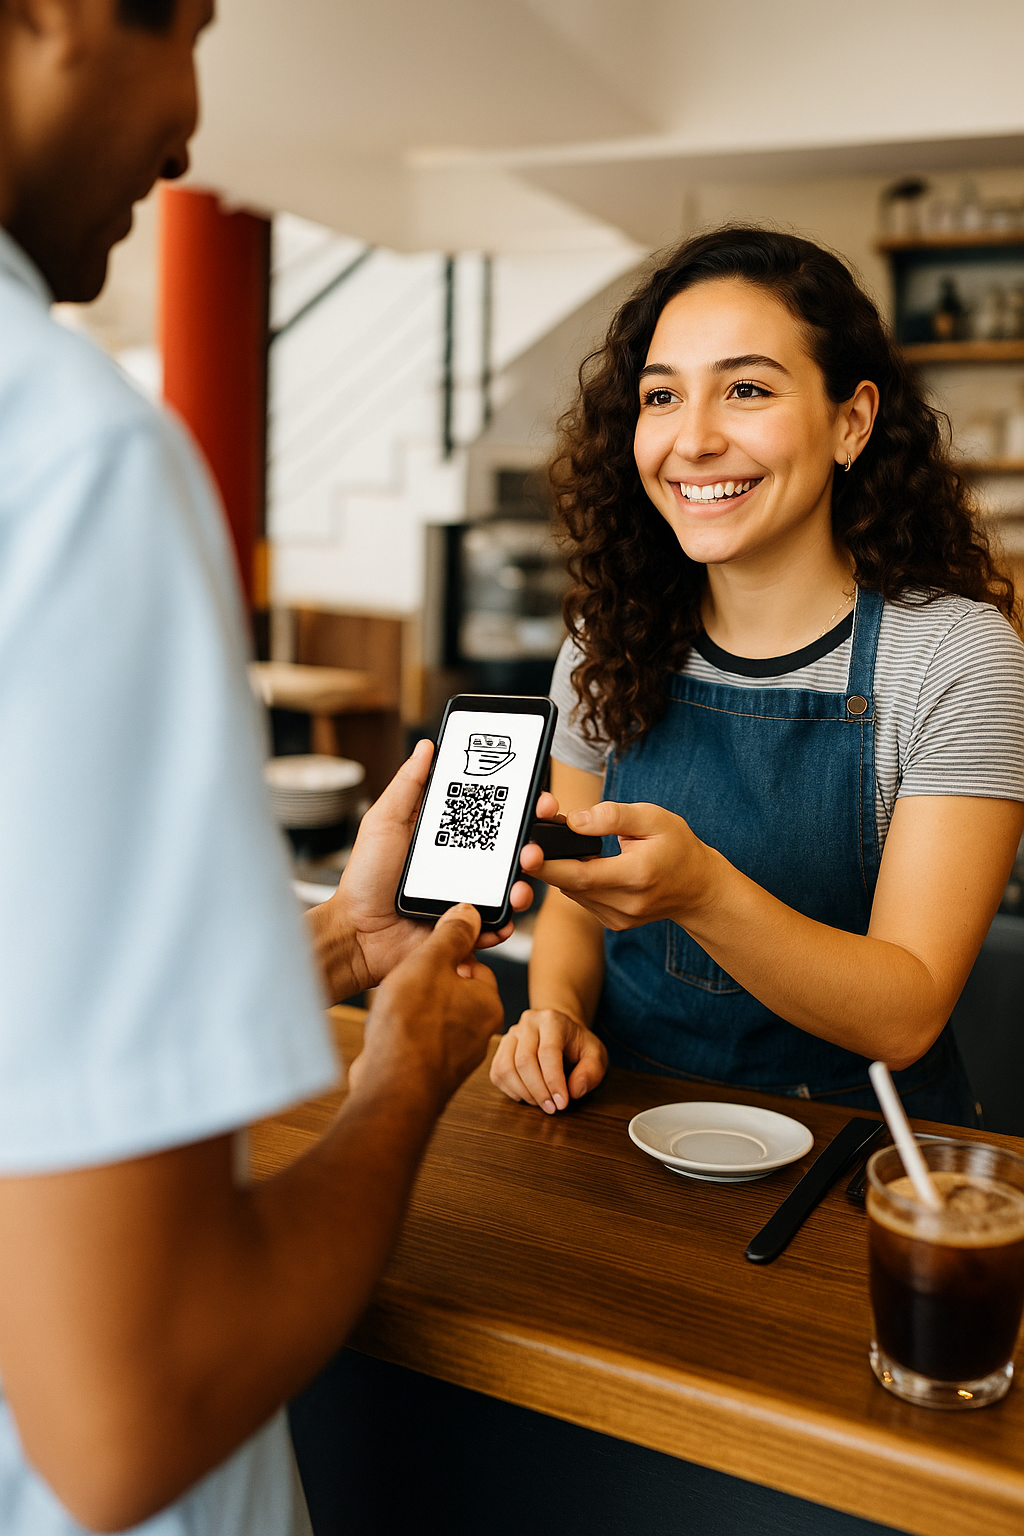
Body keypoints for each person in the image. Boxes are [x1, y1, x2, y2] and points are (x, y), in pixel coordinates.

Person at [0, 2, 535, 1532]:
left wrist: (315, 949)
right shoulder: (72, 462)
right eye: (189, 32)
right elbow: (130, 1411)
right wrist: (404, 1084)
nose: (187, 132)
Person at [492, 227, 1024, 1128]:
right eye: (663, 396)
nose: (693, 440)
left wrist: (703, 891)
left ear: (850, 421)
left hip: (855, 1149)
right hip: (626, 1120)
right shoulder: (603, 640)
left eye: (745, 389)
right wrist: (555, 1015)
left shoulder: (957, 657)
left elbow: (906, 1012)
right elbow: (577, 905)